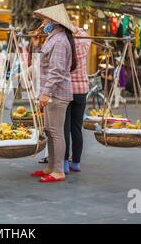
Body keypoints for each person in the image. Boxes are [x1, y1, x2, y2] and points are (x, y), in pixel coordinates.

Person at [31, 3, 75, 183]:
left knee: (56, 132)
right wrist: (35, 45)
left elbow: (56, 71)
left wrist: (45, 93)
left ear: (54, 21)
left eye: (45, 20)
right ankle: (51, 165)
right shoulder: (52, 38)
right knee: (49, 131)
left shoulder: (60, 41)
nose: (43, 23)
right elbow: (42, 62)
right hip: (50, 93)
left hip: (57, 94)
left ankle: (58, 170)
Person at [37, 26, 91, 174]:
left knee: (62, 129)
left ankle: (64, 165)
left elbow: (58, 69)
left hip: (65, 88)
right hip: (81, 89)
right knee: (76, 128)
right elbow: (84, 34)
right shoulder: (84, 41)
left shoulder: (64, 40)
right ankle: (76, 163)